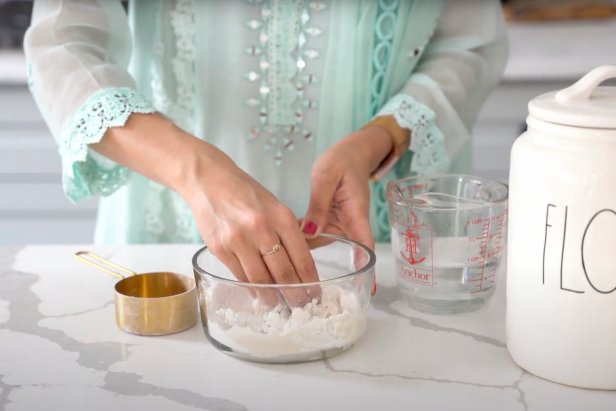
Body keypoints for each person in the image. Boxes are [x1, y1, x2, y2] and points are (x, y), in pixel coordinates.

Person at [24, 0, 507, 291]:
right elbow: (62, 46)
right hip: (169, 227)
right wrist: (196, 173)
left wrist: (381, 135)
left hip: (373, 228)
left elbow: (469, 45)